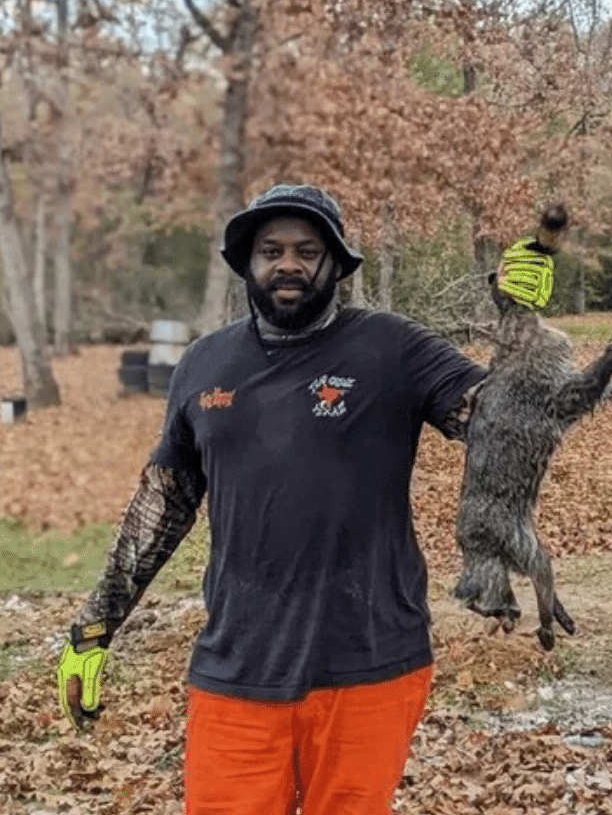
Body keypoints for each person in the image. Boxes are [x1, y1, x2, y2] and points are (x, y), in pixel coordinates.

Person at [57, 184, 488, 815]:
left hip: (370, 664)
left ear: (336, 264)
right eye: (271, 250)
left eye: (307, 250)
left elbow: (496, 420)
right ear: (247, 264)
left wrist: (524, 334)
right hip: (237, 667)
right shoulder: (203, 364)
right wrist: (96, 624)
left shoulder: (394, 348)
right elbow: (163, 503)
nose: (287, 264)